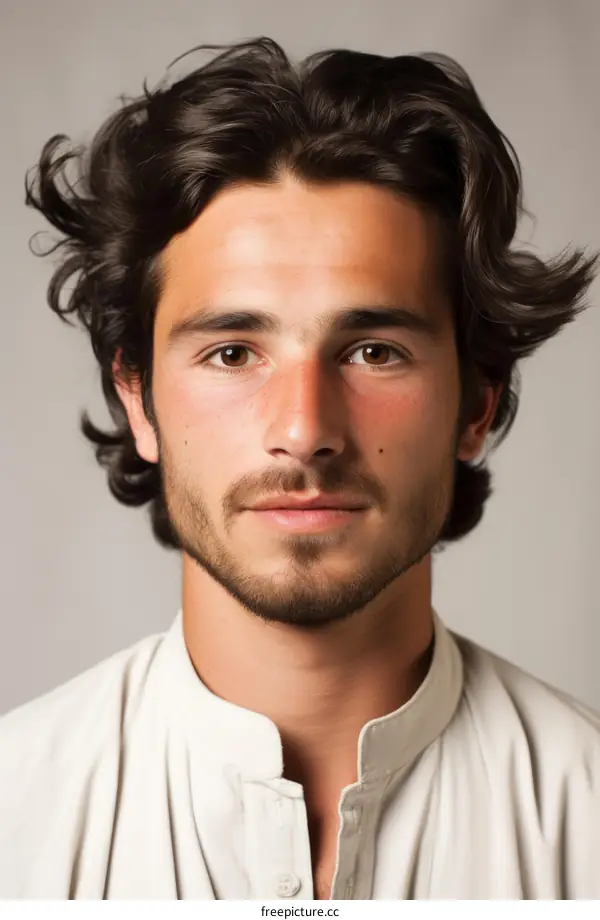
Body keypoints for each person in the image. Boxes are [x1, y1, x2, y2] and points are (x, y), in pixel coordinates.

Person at [1, 36, 599, 902]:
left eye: (372, 350)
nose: (304, 429)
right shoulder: (16, 819)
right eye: (235, 352)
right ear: (138, 401)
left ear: (475, 401)